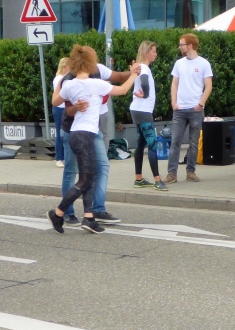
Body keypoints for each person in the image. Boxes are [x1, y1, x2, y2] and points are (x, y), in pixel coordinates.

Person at [48, 45, 137, 234]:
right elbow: (122, 90)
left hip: (75, 134)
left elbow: (55, 102)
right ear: (90, 64)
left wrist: (60, 83)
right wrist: (134, 74)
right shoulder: (96, 84)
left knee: (89, 175)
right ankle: (58, 212)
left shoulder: (70, 85)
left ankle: (88, 217)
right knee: (85, 179)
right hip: (86, 135)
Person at [164, 33, 213, 184]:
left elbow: (208, 85)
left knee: (193, 142)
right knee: (175, 141)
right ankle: (171, 173)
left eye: (182, 44)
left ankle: (190, 171)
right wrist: (174, 102)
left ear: (190, 45)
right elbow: (174, 83)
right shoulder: (179, 63)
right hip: (179, 109)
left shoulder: (204, 64)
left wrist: (201, 104)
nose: (180, 47)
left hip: (195, 109)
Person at [130, 41, 168, 191]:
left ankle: (138, 179)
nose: (155, 54)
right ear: (147, 53)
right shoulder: (144, 68)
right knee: (152, 144)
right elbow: (145, 82)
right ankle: (157, 181)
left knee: (140, 143)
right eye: (153, 51)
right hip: (143, 111)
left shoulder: (139, 67)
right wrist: (145, 95)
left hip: (137, 109)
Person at [52, 58, 69, 168]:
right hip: (59, 108)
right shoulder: (59, 78)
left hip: (65, 107)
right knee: (60, 133)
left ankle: (65, 157)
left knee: (66, 133)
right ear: (65, 66)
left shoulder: (65, 78)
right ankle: (59, 158)